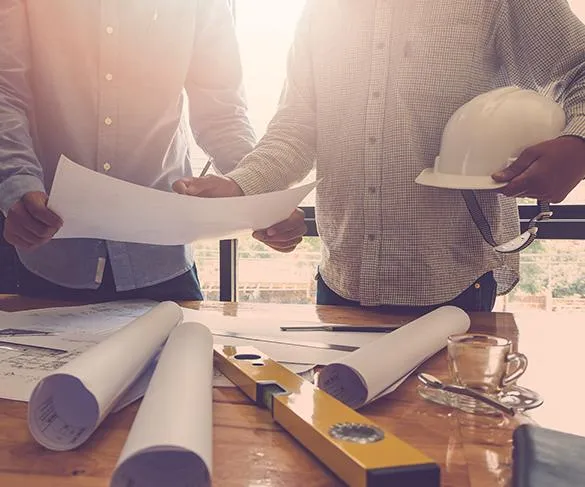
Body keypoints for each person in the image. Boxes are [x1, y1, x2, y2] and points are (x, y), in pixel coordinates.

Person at [173, 0, 585, 312]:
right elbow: (297, 126)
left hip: (456, 291)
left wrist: (577, 145)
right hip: (339, 285)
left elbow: (579, 67)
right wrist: (240, 186)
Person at [0, 0, 256, 301]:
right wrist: (17, 183)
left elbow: (222, 114)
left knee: (184, 349)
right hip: (50, 252)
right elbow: (7, 93)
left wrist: (258, 186)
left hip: (163, 255)